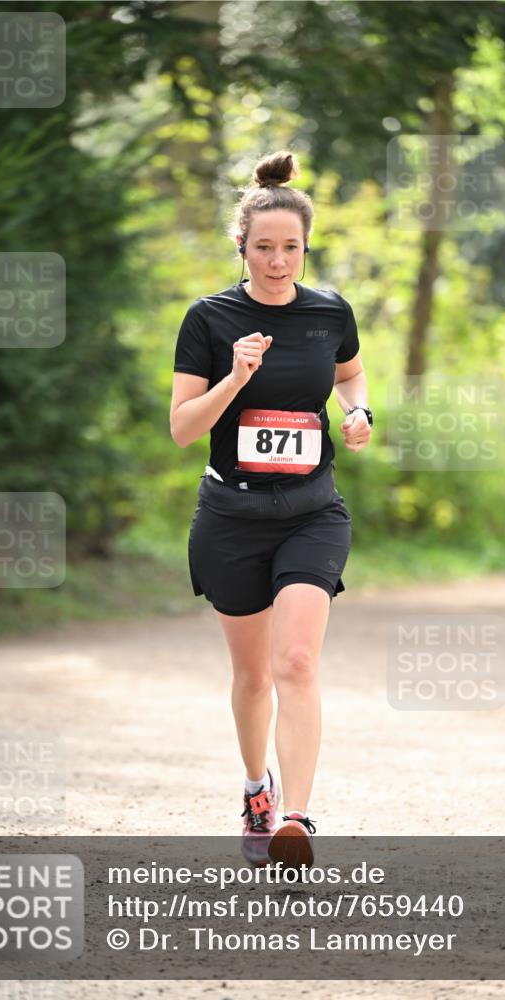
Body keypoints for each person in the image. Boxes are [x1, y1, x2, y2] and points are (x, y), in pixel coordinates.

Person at [170, 150, 372, 868]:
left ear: (305, 246)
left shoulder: (328, 313)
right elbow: (183, 426)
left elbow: (349, 375)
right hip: (230, 516)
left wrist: (359, 411)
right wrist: (235, 377)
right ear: (241, 245)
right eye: (264, 247)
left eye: (290, 247)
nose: (278, 260)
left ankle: (296, 817)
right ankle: (256, 786)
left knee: (295, 660)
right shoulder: (210, 318)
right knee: (253, 676)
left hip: (312, 512)